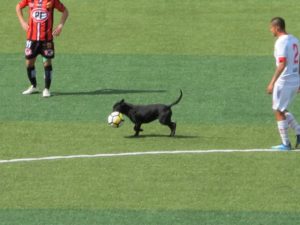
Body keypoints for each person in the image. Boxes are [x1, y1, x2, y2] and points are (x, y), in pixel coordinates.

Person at [16, 0, 69, 97]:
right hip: (32, 39)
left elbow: (65, 11)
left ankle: (46, 89)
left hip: (46, 40)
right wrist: (22, 22)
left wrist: (60, 26)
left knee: (47, 63)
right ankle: (34, 86)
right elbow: (18, 7)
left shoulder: (52, 0)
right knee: (29, 64)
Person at [267, 17, 300, 150]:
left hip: (284, 80)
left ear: (277, 27)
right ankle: (298, 131)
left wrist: (272, 82)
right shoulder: (294, 40)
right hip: (294, 79)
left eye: (271, 28)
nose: (271, 30)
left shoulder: (281, 42)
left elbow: (282, 63)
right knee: (282, 108)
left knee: (278, 110)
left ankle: (286, 144)